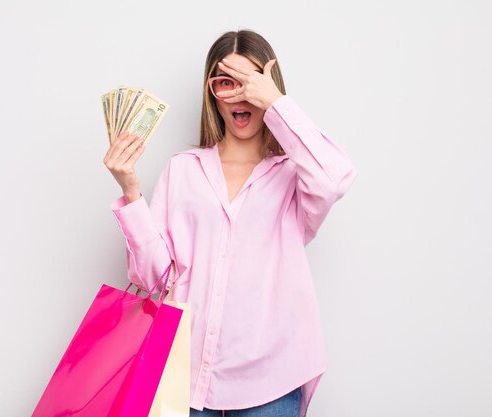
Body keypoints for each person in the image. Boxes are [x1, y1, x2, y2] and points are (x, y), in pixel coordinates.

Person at [103, 29, 357, 417]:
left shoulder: (295, 174)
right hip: (181, 376)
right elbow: (152, 277)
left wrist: (275, 102)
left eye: (250, 82)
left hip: (271, 378)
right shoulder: (182, 170)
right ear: (212, 93)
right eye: (226, 82)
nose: (239, 95)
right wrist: (131, 191)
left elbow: (335, 177)